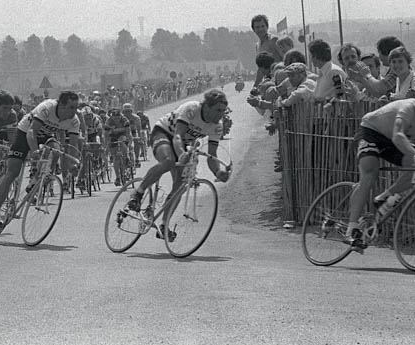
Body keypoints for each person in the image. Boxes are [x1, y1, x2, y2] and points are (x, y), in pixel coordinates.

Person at [345, 86, 415, 248]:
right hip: (372, 131)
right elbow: (398, 135)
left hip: (391, 142)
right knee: (370, 172)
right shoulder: (410, 107)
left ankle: (384, 197)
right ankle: (351, 228)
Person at [125, 89, 231, 239]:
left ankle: (163, 225)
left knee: (181, 184)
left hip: (185, 143)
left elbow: (212, 155)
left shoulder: (217, 126)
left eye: (223, 111)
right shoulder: (192, 109)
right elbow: (177, 136)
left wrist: (218, 172)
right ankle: (138, 193)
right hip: (164, 132)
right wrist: (181, 155)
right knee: (168, 161)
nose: (221, 114)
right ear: (206, 106)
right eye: (218, 110)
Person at [0, 91, 81, 231]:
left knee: (56, 149)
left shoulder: (74, 121)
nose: (75, 111)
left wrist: (73, 163)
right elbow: (32, 132)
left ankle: (35, 181)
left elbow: (72, 145)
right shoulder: (47, 107)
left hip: (47, 136)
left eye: (76, 107)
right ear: (62, 105)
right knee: (12, 172)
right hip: (25, 132)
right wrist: (35, 152)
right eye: (72, 107)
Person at [103, 107, 133, 185]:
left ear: (120, 116)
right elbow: (106, 135)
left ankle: (126, 158)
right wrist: (106, 144)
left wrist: (129, 142)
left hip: (122, 135)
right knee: (115, 157)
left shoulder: (125, 120)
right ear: (112, 117)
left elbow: (128, 132)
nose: (116, 119)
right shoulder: (108, 121)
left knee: (122, 141)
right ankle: (118, 177)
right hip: (113, 136)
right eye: (114, 118)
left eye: (118, 117)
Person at [251, 15, 282, 87]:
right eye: (257, 27)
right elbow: (260, 69)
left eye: (262, 26)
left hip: (279, 78)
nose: (260, 29)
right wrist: (255, 87)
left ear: (267, 27)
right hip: (268, 80)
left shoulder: (274, 40)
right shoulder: (257, 45)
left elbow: (286, 58)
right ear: (254, 29)